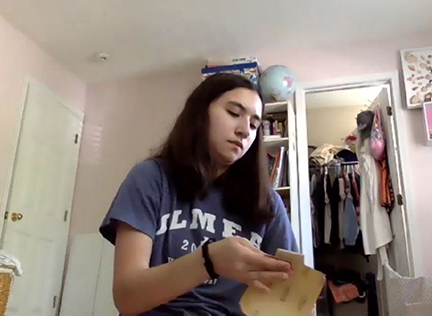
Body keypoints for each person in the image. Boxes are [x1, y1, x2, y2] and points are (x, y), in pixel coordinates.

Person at [99, 73, 298, 316]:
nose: (245, 131)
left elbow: (292, 298)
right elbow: (127, 297)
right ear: (200, 113)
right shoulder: (151, 178)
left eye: (254, 124)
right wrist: (209, 261)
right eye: (234, 113)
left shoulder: (267, 202)